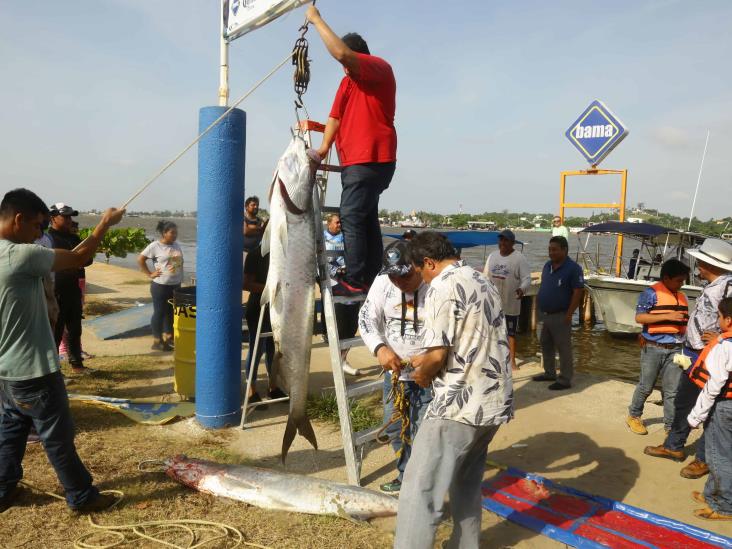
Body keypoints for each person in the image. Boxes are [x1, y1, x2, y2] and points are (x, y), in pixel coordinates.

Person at [0, 188, 124, 514]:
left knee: (11, 429)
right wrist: (105, 224)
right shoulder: (20, 255)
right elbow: (80, 257)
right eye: (37, 226)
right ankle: (82, 496)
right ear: (18, 220)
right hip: (34, 370)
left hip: (7, 371)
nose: (39, 234)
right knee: (57, 436)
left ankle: (3, 488)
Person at [394, 232, 513, 549]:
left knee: (420, 489)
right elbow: (470, 338)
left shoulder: (441, 287)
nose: (419, 278)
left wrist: (421, 373)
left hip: (458, 406)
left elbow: (436, 356)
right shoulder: (480, 278)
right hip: (491, 403)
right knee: (466, 485)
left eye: (419, 271)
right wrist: (427, 358)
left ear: (429, 262)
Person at [306, 4, 397, 295]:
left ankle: (356, 280)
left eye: (347, 63)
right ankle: (372, 275)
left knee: (350, 214)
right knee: (366, 218)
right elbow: (334, 118)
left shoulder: (379, 68)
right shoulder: (347, 83)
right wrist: (321, 150)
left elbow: (342, 53)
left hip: (371, 157)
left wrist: (316, 19)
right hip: (355, 162)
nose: (344, 67)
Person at [645, 238, 732, 479]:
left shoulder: (728, 288)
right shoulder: (714, 286)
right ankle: (674, 446)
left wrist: (721, 335)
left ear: (710, 264)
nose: (698, 266)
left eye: (701, 262)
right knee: (684, 401)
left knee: (712, 409)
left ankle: (703, 459)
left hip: (711, 357)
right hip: (693, 353)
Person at [358, 241, 432, 494]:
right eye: (394, 277)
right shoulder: (382, 283)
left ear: (418, 265)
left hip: (430, 376)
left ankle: (423, 485)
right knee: (394, 427)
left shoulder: (435, 284)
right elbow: (367, 317)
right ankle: (405, 475)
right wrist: (380, 348)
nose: (400, 282)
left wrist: (434, 357)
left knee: (424, 432)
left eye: (405, 276)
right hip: (396, 376)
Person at [626, 259, 690, 435]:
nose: (681, 284)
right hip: (653, 347)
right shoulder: (650, 293)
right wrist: (667, 315)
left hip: (675, 348)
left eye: (683, 281)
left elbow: (684, 323)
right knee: (646, 386)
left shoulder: (682, 297)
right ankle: (634, 415)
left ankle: (670, 426)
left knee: (672, 391)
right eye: (678, 280)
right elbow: (640, 318)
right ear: (666, 278)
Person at [687, 297, 732, 521]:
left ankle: (724, 506)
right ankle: (712, 495)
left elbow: (714, 385)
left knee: (719, 457)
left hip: (724, 406)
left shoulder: (724, 347)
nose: (717, 321)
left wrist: (696, 415)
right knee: (724, 453)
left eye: (719, 317)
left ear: (729, 320)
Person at [532, 235, 584, 390]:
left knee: (563, 348)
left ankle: (565, 379)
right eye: (549, 249)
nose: (551, 252)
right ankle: (549, 372)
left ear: (565, 250)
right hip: (544, 313)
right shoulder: (547, 265)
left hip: (561, 314)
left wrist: (569, 314)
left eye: (554, 250)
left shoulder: (574, 268)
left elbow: (578, 292)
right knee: (545, 344)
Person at [47, 202, 89, 374]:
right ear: (53, 218)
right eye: (65, 216)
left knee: (75, 329)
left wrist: (78, 260)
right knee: (55, 332)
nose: (69, 220)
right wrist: (71, 261)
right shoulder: (48, 239)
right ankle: (52, 369)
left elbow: (88, 260)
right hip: (55, 290)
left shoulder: (73, 238)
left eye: (70, 216)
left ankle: (77, 364)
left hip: (72, 288)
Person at [483, 229, 531, 371]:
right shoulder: (492, 256)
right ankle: (491, 360)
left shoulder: (519, 258)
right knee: (490, 333)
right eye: (501, 240)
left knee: (510, 333)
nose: (503, 243)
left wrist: (522, 289)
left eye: (506, 240)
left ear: (512, 243)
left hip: (511, 303)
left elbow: (526, 278)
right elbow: (485, 276)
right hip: (493, 304)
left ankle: (512, 362)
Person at [243, 246, 286, 404]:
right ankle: (251, 389)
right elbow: (246, 284)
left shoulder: (283, 253)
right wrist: (271, 290)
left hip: (277, 308)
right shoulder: (255, 254)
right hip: (258, 307)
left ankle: (272, 387)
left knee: (273, 350)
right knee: (256, 349)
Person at [323, 213, 361, 376]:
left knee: (352, 326)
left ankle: (343, 359)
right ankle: (338, 361)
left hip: (350, 285)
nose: (339, 225)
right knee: (339, 326)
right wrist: (337, 270)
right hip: (334, 286)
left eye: (341, 223)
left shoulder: (347, 238)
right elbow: (320, 264)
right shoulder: (321, 239)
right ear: (328, 224)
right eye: (337, 223)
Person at [137, 221, 184, 351]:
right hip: (160, 286)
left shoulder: (177, 245)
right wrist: (150, 274)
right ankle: (157, 341)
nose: (175, 235)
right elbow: (140, 259)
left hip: (175, 285)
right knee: (159, 312)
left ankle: (169, 337)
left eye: (176, 232)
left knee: (171, 312)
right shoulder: (155, 246)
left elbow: (178, 264)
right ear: (164, 233)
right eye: (172, 233)